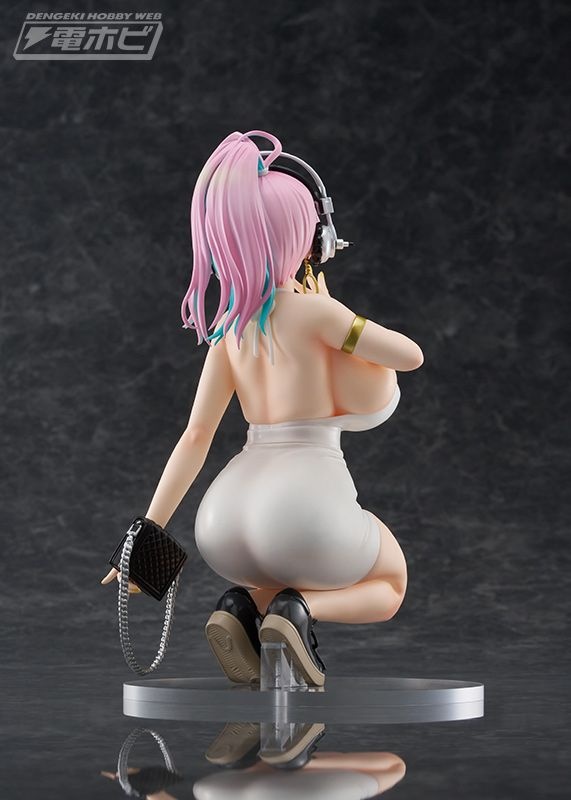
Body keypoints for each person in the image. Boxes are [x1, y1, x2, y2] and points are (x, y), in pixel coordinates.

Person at [101, 130, 424, 687]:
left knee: (269, 582)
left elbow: (195, 435)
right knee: (390, 582)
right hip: (305, 500)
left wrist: (146, 537)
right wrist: (337, 315)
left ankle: (239, 607)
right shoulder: (319, 314)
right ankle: (300, 614)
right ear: (310, 238)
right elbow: (410, 355)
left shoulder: (230, 331)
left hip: (223, 517)